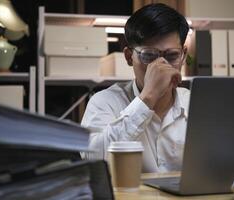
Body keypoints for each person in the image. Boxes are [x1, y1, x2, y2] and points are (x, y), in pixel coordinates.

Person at [81, 3, 190, 172]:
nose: (160, 66)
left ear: (183, 56)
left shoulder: (194, 103)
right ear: (129, 56)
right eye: (148, 55)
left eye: (172, 55)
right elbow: (93, 160)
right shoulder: (104, 102)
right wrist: (147, 98)